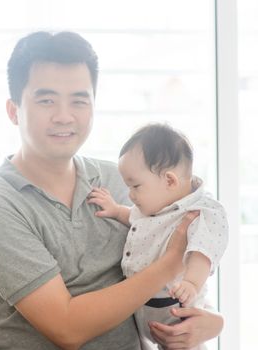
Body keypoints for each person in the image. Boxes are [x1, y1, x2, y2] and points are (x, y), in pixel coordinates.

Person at [0, 31, 224, 350]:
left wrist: (210, 320)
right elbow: (66, 328)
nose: (64, 116)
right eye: (46, 100)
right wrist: (169, 264)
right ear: (13, 110)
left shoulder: (120, 180)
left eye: (79, 100)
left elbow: (185, 252)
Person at [87, 123, 228, 349]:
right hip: (143, 307)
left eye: (135, 186)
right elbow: (133, 217)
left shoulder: (202, 212)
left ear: (170, 180)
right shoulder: (155, 206)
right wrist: (115, 210)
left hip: (174, 310)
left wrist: (192, 282)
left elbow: (203, 251)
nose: (130, 195)